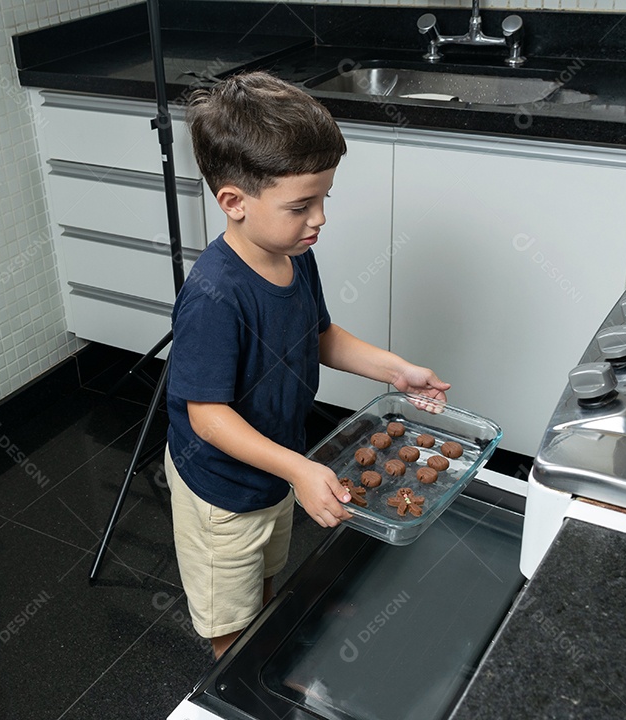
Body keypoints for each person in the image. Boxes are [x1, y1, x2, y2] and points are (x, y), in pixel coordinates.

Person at [164, 71, 450, 659]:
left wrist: (394, 370)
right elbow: (207, 417)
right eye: (301, 205)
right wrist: (296, 468)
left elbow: (318, 336)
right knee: (229, 615)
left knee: (266, 583)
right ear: (234, 203)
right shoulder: (215, 296)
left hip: (278, 466)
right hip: (223, 491)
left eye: (323, 200)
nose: (319, 218)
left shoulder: (292, 254)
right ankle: (236, 678)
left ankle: (262, 648)